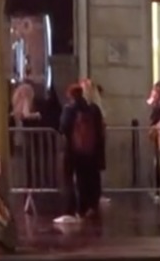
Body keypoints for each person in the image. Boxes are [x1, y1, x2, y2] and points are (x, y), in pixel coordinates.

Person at [56, 82, 105, 224]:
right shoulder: (93, 109)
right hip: (90, 150)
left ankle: (71, 210)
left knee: (69, 179)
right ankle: (89, 206)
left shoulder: (69, 109)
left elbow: (63, 127)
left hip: (73, 150)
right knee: (87, 178)